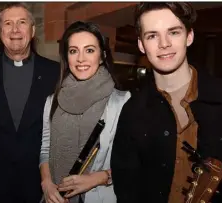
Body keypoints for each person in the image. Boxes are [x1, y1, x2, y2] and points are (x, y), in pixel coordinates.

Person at [111, 2, 222, 203]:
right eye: (152, 35)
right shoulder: (133, 111)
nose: (164, 44)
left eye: (174, 32)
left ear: (189, 36)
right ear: (141, 45)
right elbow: (126, 188)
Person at [0, 3, 60, 203]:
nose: (15, 30)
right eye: (8, 24)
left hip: (38, 184)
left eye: (22, 23)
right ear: (0, 32)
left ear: (32, 30)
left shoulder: (56, 73)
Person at [39, 21, 131, 203]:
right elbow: (45, 147)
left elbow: (133, 162)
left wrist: (97, 178)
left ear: (103, 55)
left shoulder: (121, 101)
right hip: (55, 196)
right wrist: (46, 182)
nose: (81, 58)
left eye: (89, 50)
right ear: (67, 57)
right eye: (73, 51)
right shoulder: (53, 101)